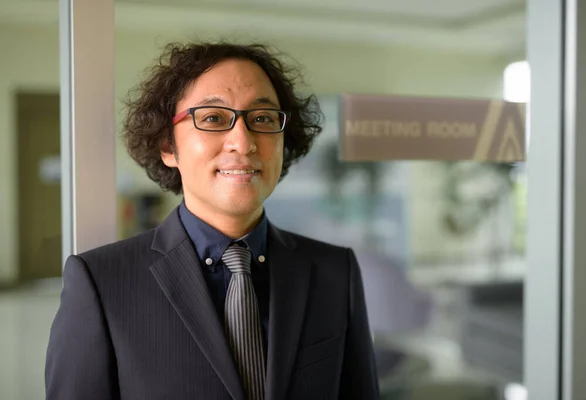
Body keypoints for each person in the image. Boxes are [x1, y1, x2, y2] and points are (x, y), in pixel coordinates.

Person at [45, 41, 380, 400]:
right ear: (167, 146)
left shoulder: (333, 271)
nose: (243, 141)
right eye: (213, 118)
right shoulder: (102, 282)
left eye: (263, 118)